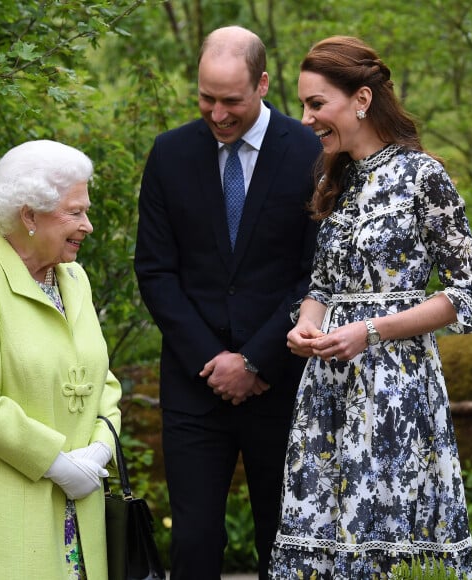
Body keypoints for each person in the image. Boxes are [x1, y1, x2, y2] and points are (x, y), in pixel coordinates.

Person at [268, 36, 472, 579]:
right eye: (303, 104)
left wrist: (373, 331)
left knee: (386, 542)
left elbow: (463, 293)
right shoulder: (334, 176)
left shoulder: (423, 177)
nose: (306, 117)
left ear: (361, 99)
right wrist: (304, 327)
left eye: (317, 104)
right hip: (329, 387)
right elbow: (322, 285)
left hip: (396, 387)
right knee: (324, 542)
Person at [134, 25, 321, 579]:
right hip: (196, 384)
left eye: (231, 100)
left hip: (282, 380)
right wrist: (213, 362)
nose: (217, 113)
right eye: (205, 98)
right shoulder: (170, 153)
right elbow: (156, 270)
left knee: (284, 540)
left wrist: (257, 361)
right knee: (192, 542)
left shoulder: (311, 151)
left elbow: (316, 273)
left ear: (263, 84)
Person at [0, 140, 122, 579]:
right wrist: (57, 464)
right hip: (4, 516)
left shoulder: (74, 278)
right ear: (29, 215)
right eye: (75, 212)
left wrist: (97, 452)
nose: (88, 225)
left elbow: (103, 380)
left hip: (81, 513)